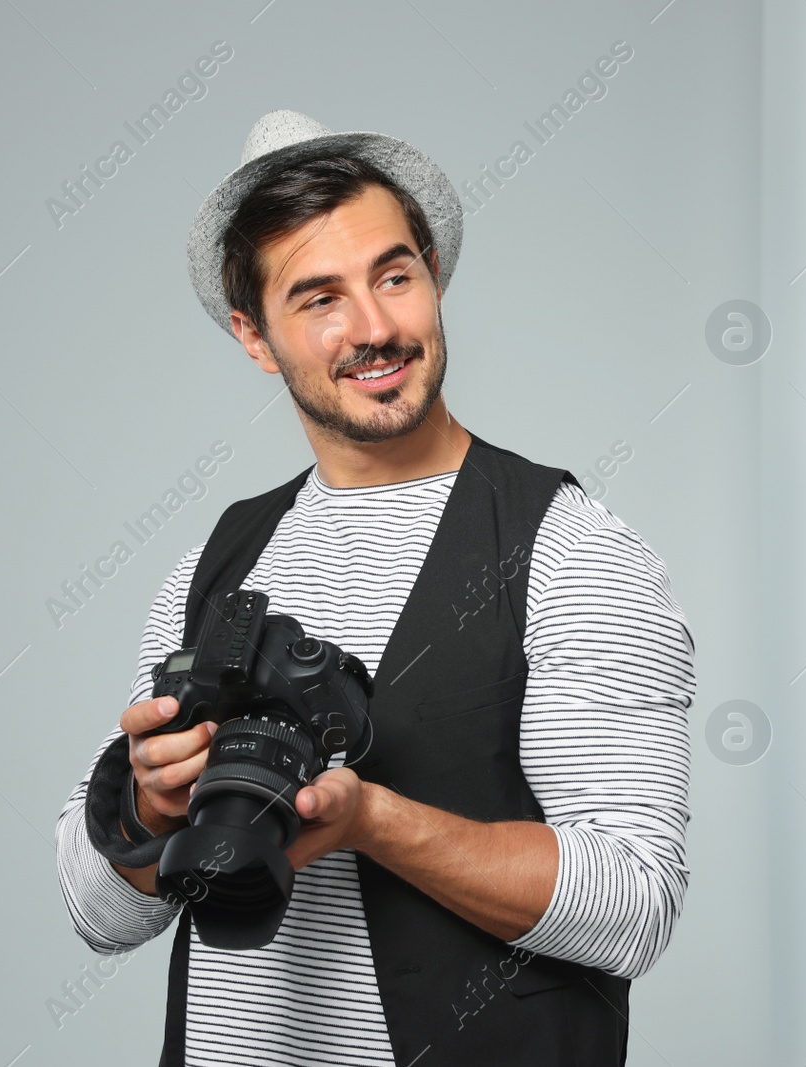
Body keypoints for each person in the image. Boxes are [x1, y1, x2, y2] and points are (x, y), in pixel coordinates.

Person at [54, 109, 696, 1067]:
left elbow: (634, 907)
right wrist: (148, 807)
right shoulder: (217, 562)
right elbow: (98, 915)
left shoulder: (571, 550)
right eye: (318, 299)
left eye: (394, 276)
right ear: (255, 334)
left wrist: (370, 819)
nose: (375, 328)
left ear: (433, 276)